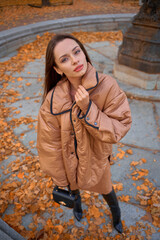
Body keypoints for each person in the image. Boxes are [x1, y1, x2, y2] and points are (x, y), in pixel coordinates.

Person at [37, 34, 132, 234]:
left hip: (97, 160)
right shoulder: (53, 99)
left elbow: (119, 127)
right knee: (74, 190)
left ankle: (116, 217)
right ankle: (77, 207)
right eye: (64, 59)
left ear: (83, 52)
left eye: (77, 51)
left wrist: (88, 109)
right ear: (57, 69)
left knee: (108, 192)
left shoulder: (107, 86)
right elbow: (49, 145)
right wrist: (60, 180)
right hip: (68, 162)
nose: (75, 60)